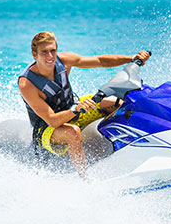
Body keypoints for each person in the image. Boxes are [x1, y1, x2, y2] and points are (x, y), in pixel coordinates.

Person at [18, 31, 150, 178]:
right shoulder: (27, 84)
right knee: (72, 132)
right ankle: (84, 179)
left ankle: (133, 147)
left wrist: (131, 58)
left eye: (53, 51)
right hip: (47, 128)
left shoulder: (64, 60)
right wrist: (75, 109)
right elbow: (52, 120)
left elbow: (100, 61)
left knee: (119, 103)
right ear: (34, 54)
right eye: (44, 52)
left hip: (73, 107)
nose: (50, 56)